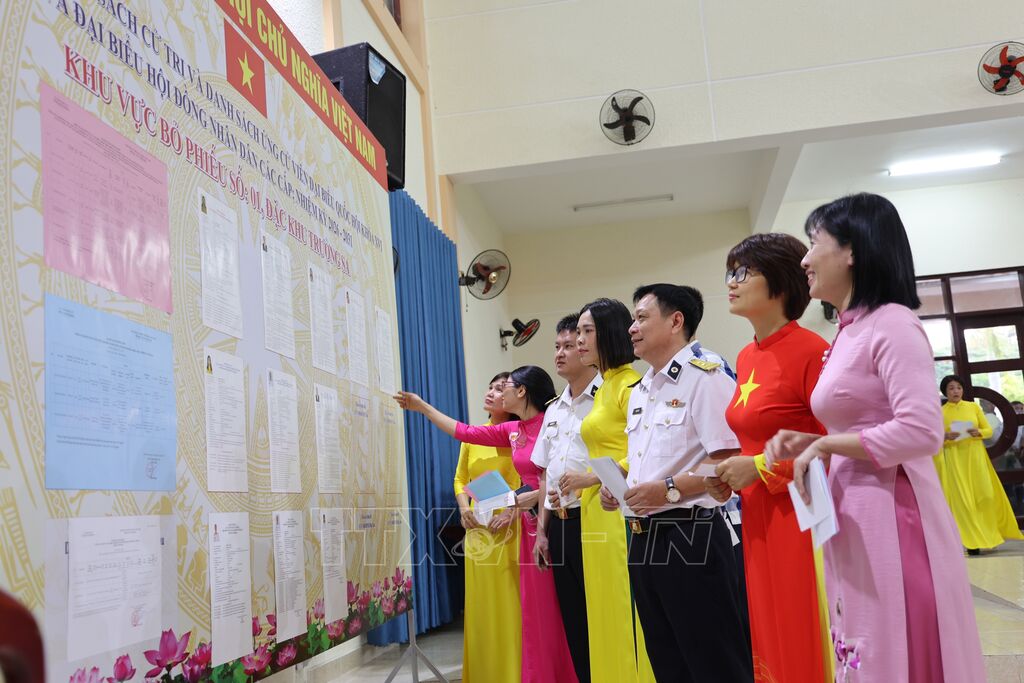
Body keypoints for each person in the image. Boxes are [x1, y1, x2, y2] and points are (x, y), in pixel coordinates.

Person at [765, 193, 985, 682]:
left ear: (852, 250)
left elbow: (921, 429)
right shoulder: (849, 331)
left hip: (893, 511)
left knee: (895, 646)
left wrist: (826, 444)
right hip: (853, 508)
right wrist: (810, 442)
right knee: (860, 642)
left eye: (813, 242)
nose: (804, 259)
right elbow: (856, 422)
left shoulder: (893, 322)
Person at [601, 284, 753, 683]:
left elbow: (728, 460)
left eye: (641, 318)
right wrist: (620, 485)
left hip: (691, 535)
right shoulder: (642, 389)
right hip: (644, 537)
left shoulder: (706, 376)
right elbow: (649, 462)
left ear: (675, 321)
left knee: (715, 662)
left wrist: (668, 489)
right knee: (668, 663)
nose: (631, 328)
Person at [395, 366, 578, 683]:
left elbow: (558, 475)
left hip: (546, 522)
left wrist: (527, 500)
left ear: (521, 391)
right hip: (526, 526)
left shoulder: (552, 423)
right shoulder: (513, 431)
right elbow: (464, 432)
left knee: (548, 610)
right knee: (530, 612)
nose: (498, 391)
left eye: (504, 386)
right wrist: (423, 407)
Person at [707, 233, 833, 682]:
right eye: (730, 272)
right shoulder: (746, 356)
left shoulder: (812, 351)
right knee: (767, 629)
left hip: (800, 515)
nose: (732, 282)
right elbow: (751, 441)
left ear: (780, 280)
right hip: (757, 513)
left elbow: (831, 446)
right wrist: (731, 475)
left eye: (744, 272)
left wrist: (759, 468)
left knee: (800, 626)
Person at [569, 299, 654, 683]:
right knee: (601, 606)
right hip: (594, 511)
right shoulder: (604, 388)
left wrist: (596, 478)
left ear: (610, 333)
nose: (579, 340)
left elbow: (642, 448)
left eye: (587, 331)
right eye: (578, 331)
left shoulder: (630, 384)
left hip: (619, 509)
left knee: (624, 606)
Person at [529, 315, 601, 681]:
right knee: (575, 620)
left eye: (569, 346)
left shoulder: (607, 399)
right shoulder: (554, 408)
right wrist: (542, 532)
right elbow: (544, 474)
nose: (560, 353)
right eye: (557, 346)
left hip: (596, 521)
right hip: (559, 525)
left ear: (587, 349)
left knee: (603, 614)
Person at [452, 372, 522, 683]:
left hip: (508, 527)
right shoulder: (473, 436)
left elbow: (525, 480)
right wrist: (463, 508)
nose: (491, 393)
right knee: (480, 606)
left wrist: (510, 512)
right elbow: (460, 479)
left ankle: (512, 674)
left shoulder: (517, 435)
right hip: (477, 528)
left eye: (500, 389)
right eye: (490, 387)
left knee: (508, 605)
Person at [932, 375, 1023, 555]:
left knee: (985, 496)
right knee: (963, 501)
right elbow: (933, 437)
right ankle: (972, 542)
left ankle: (990, 536)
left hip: (976, 457)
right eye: (951, 388)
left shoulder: (973, 407)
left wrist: (979, 432)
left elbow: (988, 431)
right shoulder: (940, 412)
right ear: (945, 392)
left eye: (958, 387)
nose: (956, 391)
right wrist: (945, 437)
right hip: (954, 459)